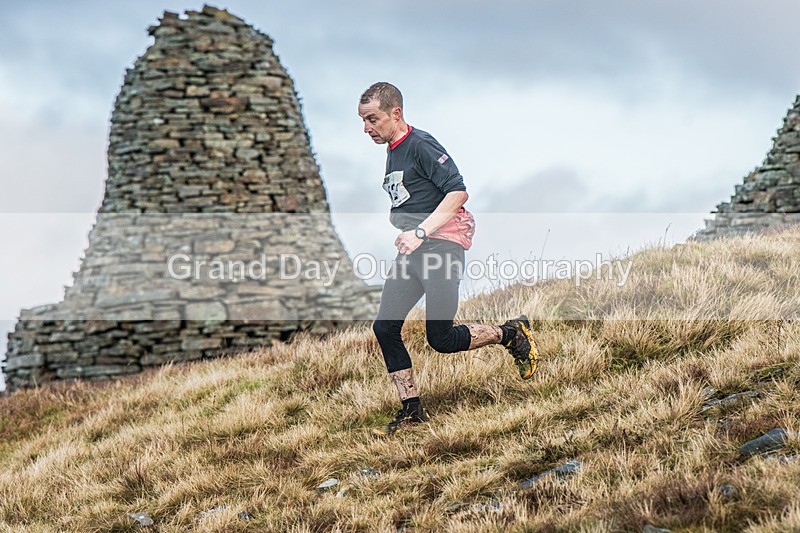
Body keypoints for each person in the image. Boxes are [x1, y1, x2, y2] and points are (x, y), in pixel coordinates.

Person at [358, 82, 540, 438]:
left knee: (440, 339)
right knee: (384, 327)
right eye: (363, 121)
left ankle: (511, 333)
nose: (367, 128)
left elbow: (458, 192)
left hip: (442, 248)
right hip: (413, 251)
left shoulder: (420, 144)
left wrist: (420, 232)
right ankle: (412, 412)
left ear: (396, 113)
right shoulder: (393, 148)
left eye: (372, 119)